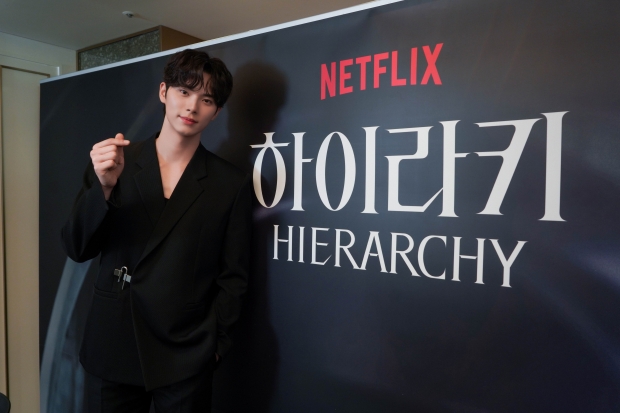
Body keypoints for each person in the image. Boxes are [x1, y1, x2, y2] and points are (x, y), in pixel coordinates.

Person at [61, 49, 251, 412]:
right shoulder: (116, 160)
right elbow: (77, 247)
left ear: (216, 112)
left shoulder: (229, 183)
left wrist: (215, 345)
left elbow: (234, 276)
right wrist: (103, 187)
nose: (192, 106)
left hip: (185, 350)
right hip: (114, 340)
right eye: (184, 91)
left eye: (206, 99)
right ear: (164, 92)